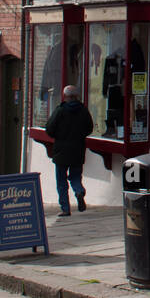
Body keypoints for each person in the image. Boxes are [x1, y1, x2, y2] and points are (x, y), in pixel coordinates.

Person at [46, 85, 93, 217]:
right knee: (75, 176)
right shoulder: (83, 110)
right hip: (78, 149)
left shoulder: (60, 110)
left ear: (65, 96)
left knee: (61, 180)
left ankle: (65, 208)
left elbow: (49, 128)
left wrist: (58, 136)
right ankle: (78, 191)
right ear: (77, 96)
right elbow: (89, 128)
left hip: (61, 150)